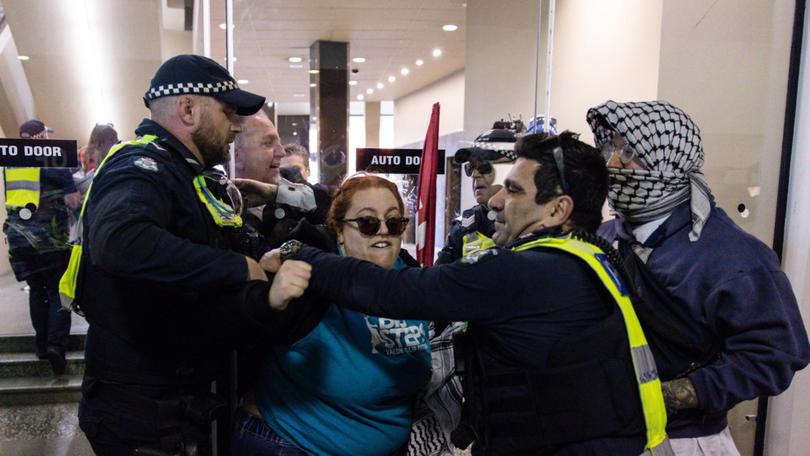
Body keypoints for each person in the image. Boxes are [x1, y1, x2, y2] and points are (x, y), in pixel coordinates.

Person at [266, 132, 675, 455]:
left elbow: (394, 291)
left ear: (557, 210)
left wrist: (298, 252)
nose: (495, 200)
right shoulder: (593, 257)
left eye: (514, 191)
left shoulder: (525, 272)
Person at [62, 54, 328, 456]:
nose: (235, 125)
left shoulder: (188, 175)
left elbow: (197, 248)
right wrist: (238, 266)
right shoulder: (141, 166)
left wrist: (260, 255)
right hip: (145, 414)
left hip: (180, 402)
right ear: (188, 109)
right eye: (228, 112)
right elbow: (122, 242)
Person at [587, 100, 810, 455]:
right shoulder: (601, 237)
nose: (613, 164)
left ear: (668, 158)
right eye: (610, 149)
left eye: (628, 151)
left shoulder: (731, 255)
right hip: (602, 435)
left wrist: (671, 394)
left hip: (685, 441)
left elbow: (777, 354)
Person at [233, 174, 431, 456]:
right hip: (293, 444)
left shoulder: (411, 278)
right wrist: (268, 299)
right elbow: (240, 322)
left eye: (394, 222)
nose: (383, 231)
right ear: (339, 231)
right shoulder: (312, 277)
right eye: (367, 223)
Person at [3, 119, 81, 375]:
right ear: (40, 137)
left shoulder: (11, 163)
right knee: (59, 290)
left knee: (37, 290)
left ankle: (40, 344)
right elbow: (70, 198)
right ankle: (56, 345)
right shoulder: (51, 163)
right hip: (49, 239)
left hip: (18, 238)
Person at [435, 128, 518, 265]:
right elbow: (439, 279)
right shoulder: (463, 226)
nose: (475, 175)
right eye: (470, 168)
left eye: (485, 168)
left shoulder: (533, 223)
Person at [234, 132, 330, 247]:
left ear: (308, 171)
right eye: (283, 171)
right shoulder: (268, 206)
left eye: (295, 169)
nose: (290, 176)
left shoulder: (320, 196)